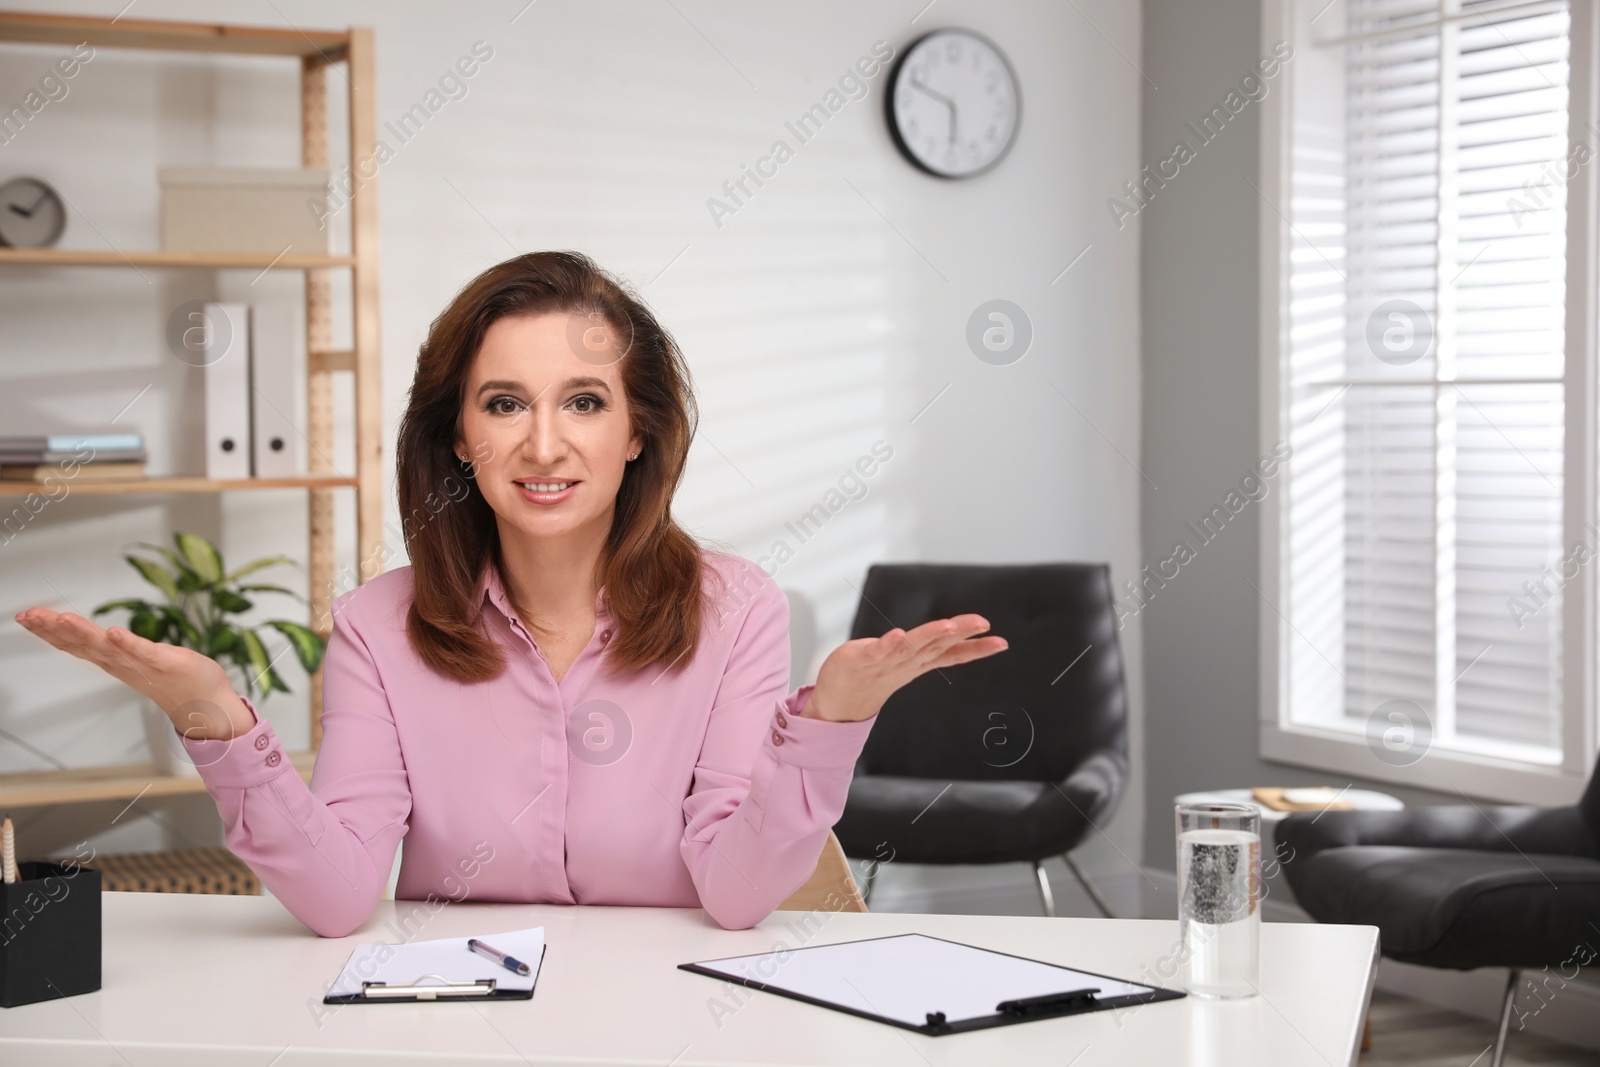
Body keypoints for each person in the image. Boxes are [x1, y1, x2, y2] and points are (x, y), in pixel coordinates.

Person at [15, 251, 1006, 937]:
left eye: (583, 400)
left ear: (636, 431)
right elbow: (335, 894)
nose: (542, 443)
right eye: (503, 403)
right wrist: (215, 719)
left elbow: (739, 892)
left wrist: (833, 716)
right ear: (458, 436)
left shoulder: (738, 609)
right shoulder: (375, 627)